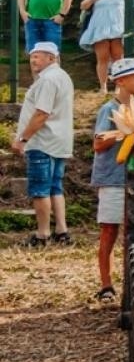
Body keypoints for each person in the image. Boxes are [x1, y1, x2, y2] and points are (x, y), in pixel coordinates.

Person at [89, 58, 134, 303]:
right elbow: (98, 144)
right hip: (113, 178)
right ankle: (106, 284)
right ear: (121, 81)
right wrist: (125, 130)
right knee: (110, 229)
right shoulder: (109, 110)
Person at [10, 42, 75, 247]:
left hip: (43, 142)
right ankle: (62, 231)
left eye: (38, 56)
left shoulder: (48, 80)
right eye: (32, 56)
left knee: (40, 190)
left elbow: (41, 114)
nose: (33, 60)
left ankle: (42, 234)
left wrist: (22, 139)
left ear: (51, 58)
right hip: (59, 141)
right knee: (55, 187)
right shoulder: (63, 76)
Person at [78, 0, 127, 92]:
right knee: (102, 58)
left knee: (118, 58)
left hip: (117, 29)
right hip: (100, 28)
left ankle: (119, 87)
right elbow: (83, 6)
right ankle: (103, 87)